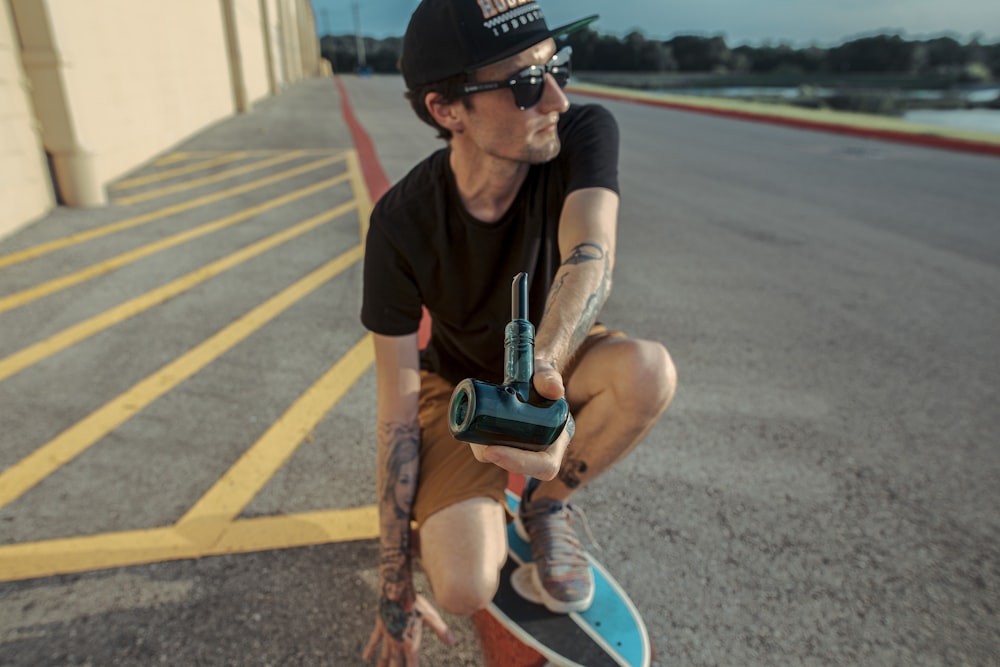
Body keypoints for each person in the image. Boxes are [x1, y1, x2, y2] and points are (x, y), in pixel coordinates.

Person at [360, 0, 676, 664]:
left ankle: (548, 505)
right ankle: (468, 513)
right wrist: (394, 578)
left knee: (647, 372)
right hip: (456, 391)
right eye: (527, 83)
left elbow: (591, 253)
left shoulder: (581, 133)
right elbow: (396, 402)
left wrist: (537, 380)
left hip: (543, 357)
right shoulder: (400, 223)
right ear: (448, 110)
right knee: (463, 584)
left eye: (556, 67)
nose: (558, 97)